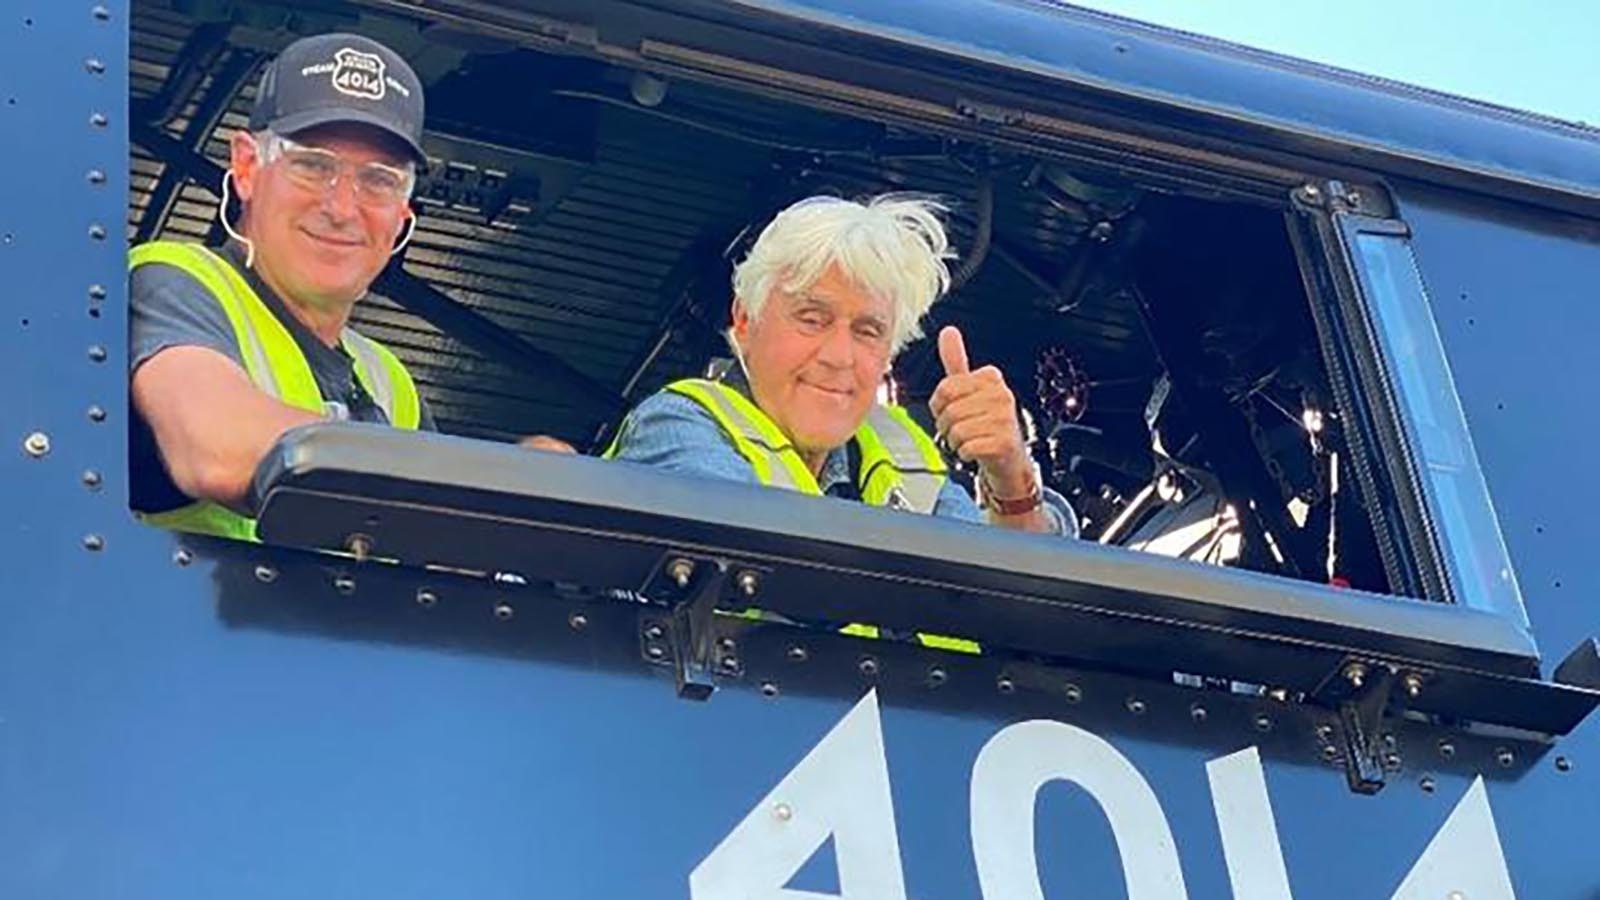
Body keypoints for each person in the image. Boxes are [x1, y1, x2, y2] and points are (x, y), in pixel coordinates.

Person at [607, 194, 1080, 538]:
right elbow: (759, 568)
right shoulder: (677, 423)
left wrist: (1010, 475)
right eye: (812, 319)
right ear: (745, 321)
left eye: (868, 331)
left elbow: (1015, 608)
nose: (839, 355)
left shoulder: (904, 453)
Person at [131, 33, 440, 541]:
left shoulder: (393, 384)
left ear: (403, 213)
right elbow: (218, 450)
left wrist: (531, 479)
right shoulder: (175, 281)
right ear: (247, 166)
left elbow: (445, 552)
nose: (342, 208)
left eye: (379, 180)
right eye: (313, 166)